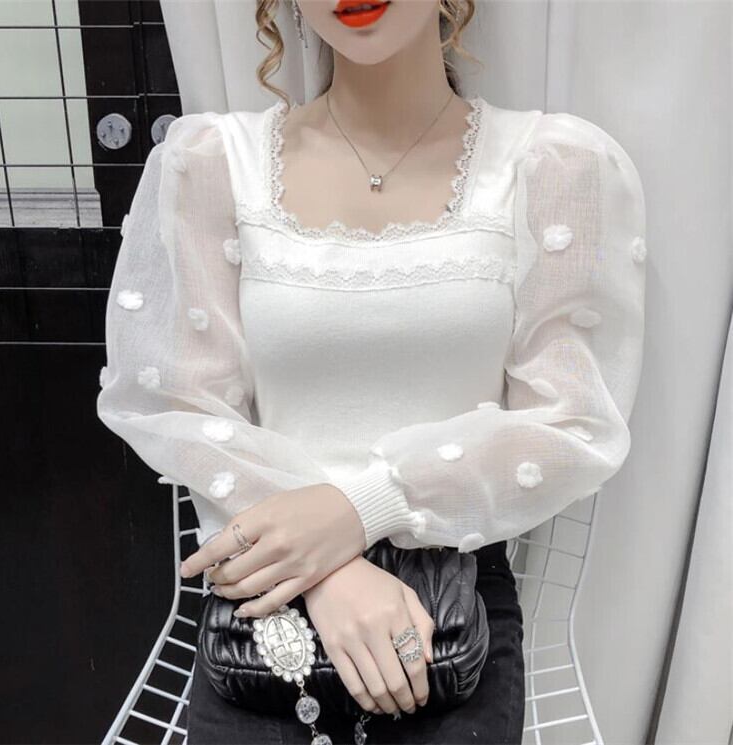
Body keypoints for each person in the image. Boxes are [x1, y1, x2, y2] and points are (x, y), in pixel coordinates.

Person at [96, 0, 647, 742]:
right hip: (266, 597)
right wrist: (327, 570)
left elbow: (574, 421)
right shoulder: (212, 164)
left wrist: (362, 510)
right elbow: (177, 401)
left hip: (451, 614)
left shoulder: (553, 166)